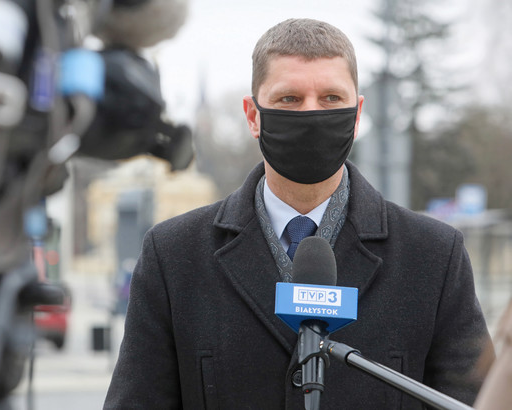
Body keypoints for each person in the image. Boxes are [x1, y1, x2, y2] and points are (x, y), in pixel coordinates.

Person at [104, 18, 494, 409]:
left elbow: (476, 401)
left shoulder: (433, 257)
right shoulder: (174, 256)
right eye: (289, 99)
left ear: (357, 114)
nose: (311, 114)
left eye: (330, 98)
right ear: (253, 115)